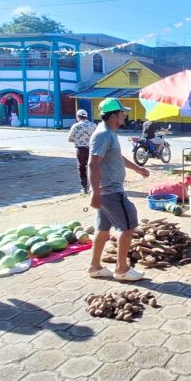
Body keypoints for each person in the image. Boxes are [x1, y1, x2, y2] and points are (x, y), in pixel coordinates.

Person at [88, 98, 150, 282]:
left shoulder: (109, 133)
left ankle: (95, 267)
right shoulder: (103, 135)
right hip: (111, 191)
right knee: (128, 227)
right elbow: (93, 164)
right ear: (114, 116)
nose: (125, 116)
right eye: (122, 113)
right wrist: (95, 193)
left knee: (103, 228)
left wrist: (137, 168)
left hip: (106, 191)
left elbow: (116, 156)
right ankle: (122, 269)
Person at [68, 109, 97, 194]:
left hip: (80, 150)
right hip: (92, 149)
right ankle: (94, 186)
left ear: (78, 117)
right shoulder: (93, 125)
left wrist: (79, 140)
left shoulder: (75, 126)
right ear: (86, 116)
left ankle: (85, 188)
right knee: (93, 167)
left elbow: (70, 139)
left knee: (82, 168)